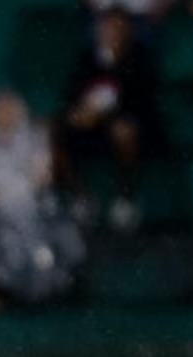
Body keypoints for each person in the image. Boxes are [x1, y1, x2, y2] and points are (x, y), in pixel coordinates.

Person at [0, 88, 84, 313]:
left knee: (30, 242)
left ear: (21, 112)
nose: (4, 116)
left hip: (34, 211)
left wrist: (5, 193)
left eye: (9, 110)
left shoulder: (36, 139)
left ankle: (31, 294)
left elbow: (38, 181)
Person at [52, 4, 166, 233]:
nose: (110, 32)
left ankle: (127, 197)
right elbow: (71, 99)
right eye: (105, 27)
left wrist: (102, 115)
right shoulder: (86, 60)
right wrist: (79, 114)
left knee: (123, 131)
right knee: (49, 133)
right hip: (88, 130)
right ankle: (81, 196)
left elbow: (141, 105)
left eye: (117, 27)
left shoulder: (140, 59)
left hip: (129, 131)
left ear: (128, 31)